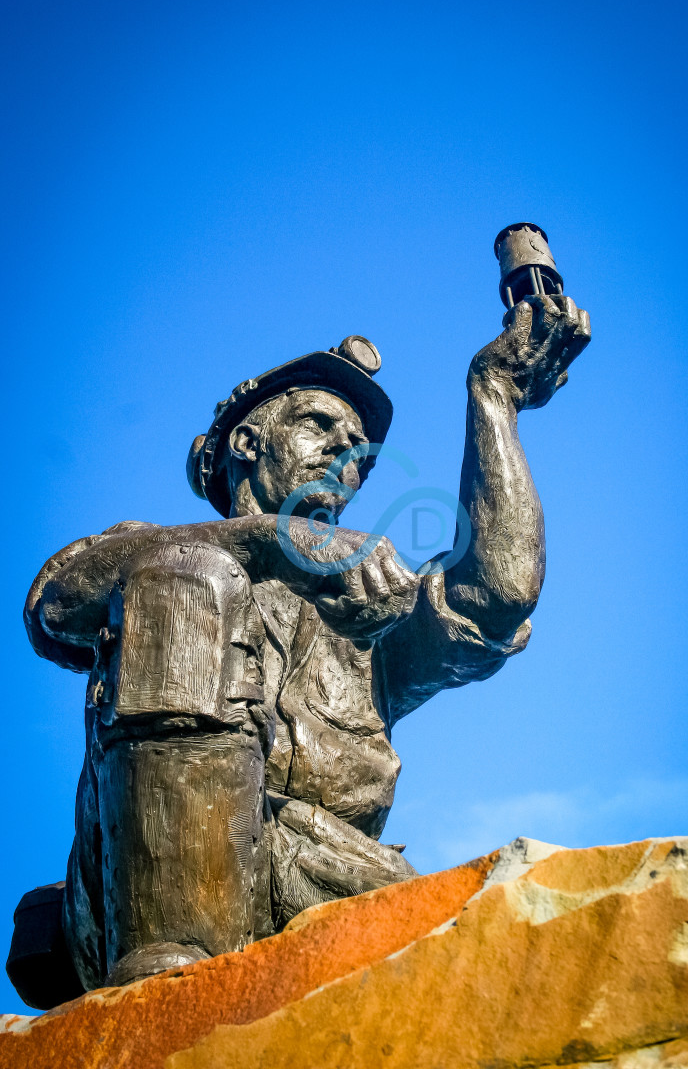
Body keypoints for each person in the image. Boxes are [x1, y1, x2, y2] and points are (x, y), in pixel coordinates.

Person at [18, 295, 589, 993]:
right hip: (139, 901)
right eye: (319, 425)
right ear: (246, 443)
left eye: (358, 454)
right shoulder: (149, 550)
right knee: (185, 575)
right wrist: (273, 540)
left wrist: (493, 397)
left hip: (320, 882)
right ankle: (170, 985)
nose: (343, 455)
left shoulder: (363, 607)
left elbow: (494, 597)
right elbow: (57, 604)